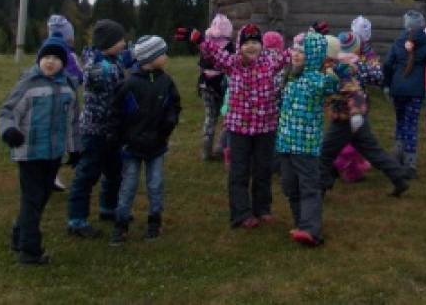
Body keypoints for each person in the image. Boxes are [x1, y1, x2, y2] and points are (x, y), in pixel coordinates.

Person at [179, 21, 291, 227]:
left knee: (263, 170)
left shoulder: (270, 63)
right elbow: (214, 52)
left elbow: (291, 53)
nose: (251, 46)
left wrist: (310, 36)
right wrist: (199, 39)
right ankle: (241, 213)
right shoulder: (232, 63)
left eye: (255, 42)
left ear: (262, 45)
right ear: (239, 45)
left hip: (265, 127)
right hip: (239, 128)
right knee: (239, 171)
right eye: (246, 42)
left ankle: (262, 208)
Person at [0, 33, 81, 265]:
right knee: (32, 198)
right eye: (46, 57)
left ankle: (19, 233)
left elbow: (73, 121)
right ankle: (30, 252)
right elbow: (7, 112)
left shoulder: (68, 87)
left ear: (64, 62)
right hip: (29, 152)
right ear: (39, 59)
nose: (50, 61)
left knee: (41, 197)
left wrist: (74, 149)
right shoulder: (28, 84)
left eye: (56, 57)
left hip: (53, 154)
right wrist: (9, 131)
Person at [319, 30, 409, 196]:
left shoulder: (338, 68)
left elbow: (354, 91)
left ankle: (321, 186)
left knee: (324, 153)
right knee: (372, 151)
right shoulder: (332, 66)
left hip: (345, 119)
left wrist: (355, 115)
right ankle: (399, 177)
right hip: (353, 117)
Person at [110, 36, 181, 245]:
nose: (166, 57)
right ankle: (120, 223)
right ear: (151, 57)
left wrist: (169, 123)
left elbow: (174, 106)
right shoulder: (129, 84)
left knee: (155, 183)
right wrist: (116, 136)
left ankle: (154, 220)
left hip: (157, 143)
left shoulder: (166, 82)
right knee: (128, 184)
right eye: (163, 53)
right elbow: (116, 112)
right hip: (132, 144)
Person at [66, 19, 131, 239]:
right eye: (120, 40)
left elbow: (127, 58)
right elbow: (119, 93)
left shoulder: (109, 60)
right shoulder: (101, 69)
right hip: (96, 130)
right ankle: (76, 219)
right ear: (108, 43)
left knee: (114, 171)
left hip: (111, 130)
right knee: (87, 173)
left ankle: (108, 207)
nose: (124, 43)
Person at [276, 31, 339, 246]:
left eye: (303, 52)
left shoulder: (317, 79)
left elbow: (332, 85)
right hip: (285, 143)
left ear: (313, 56)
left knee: (309, 187)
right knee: (289, 186)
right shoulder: (291, 77)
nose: (296, 54)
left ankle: (312, 230)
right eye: (294, 49)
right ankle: (301, 223)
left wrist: (329, 68)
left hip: (306, 146)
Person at [382, 10, 426, 178]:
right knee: (411, 125)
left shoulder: (398, 42)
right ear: (422, 25)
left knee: (400, 121)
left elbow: (387, 64)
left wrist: (386, 85)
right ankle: (410, 164)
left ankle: (397, 157)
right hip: (415, 92)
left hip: (398, 89)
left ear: (405, 25)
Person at [45, 14, 83, 192]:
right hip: (66, 104)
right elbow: (79, 77)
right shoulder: (70, 56)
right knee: (63, 136)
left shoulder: (44, 52)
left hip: (45, 103)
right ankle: (51, 175)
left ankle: (48, 174)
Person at [191, 14, 233, 161]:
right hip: (223, 86)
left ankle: (207, 151)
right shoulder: (229, 46)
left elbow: (201, 64)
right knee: (228, 116)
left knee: (210, 118)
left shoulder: (206, 44)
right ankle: (222, 148)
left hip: (205, 85)